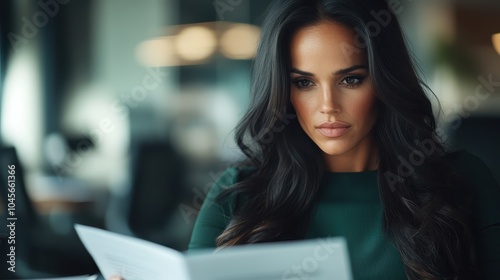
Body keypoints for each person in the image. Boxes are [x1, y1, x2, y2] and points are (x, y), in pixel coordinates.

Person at [187, 0, 500, 279]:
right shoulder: (237, 194)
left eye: (351, 79)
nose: (328, 105)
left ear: (384, 80)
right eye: (304, 82)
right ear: (282, 90)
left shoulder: (464, 180)